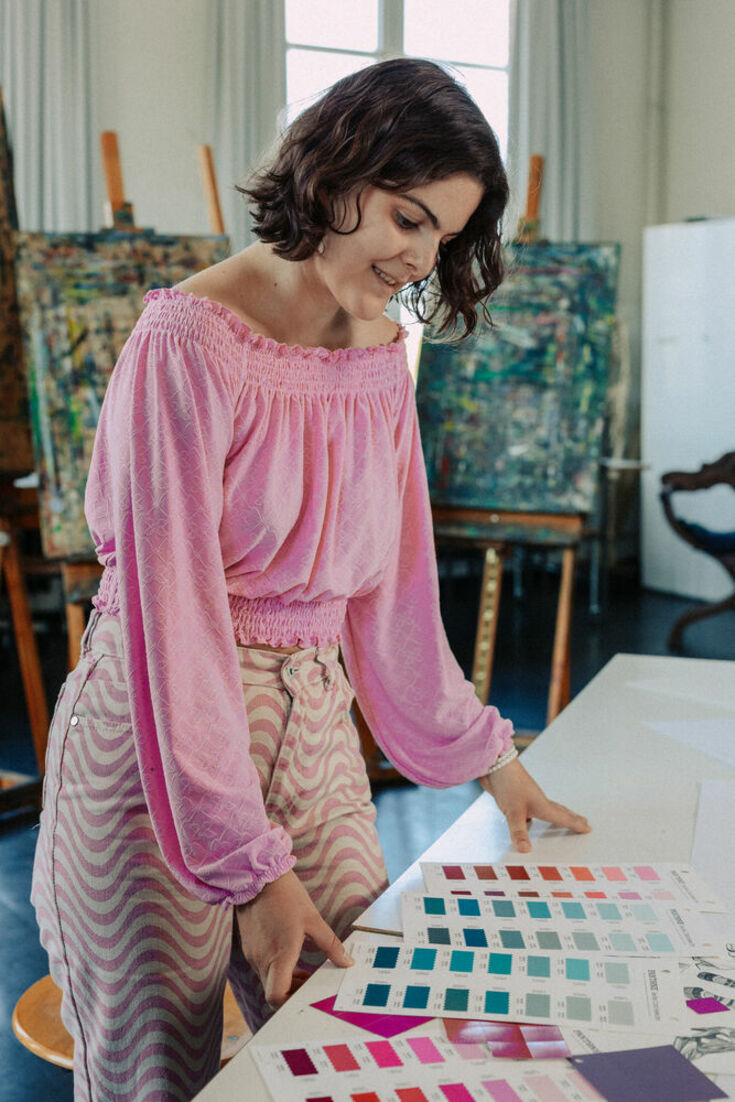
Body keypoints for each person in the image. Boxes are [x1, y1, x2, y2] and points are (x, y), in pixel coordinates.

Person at [32, 58, 590, 1101]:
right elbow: (175, 619)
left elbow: (392, 590)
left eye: (444, 236)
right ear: (337, 172)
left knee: (361, 1029)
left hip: (313, 721)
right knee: (162, 1069)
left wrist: (488, 755)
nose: (418, 257)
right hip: (156, 739)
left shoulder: (380, 351)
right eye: (406, 216)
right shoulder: (187, 340)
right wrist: (246, 861)